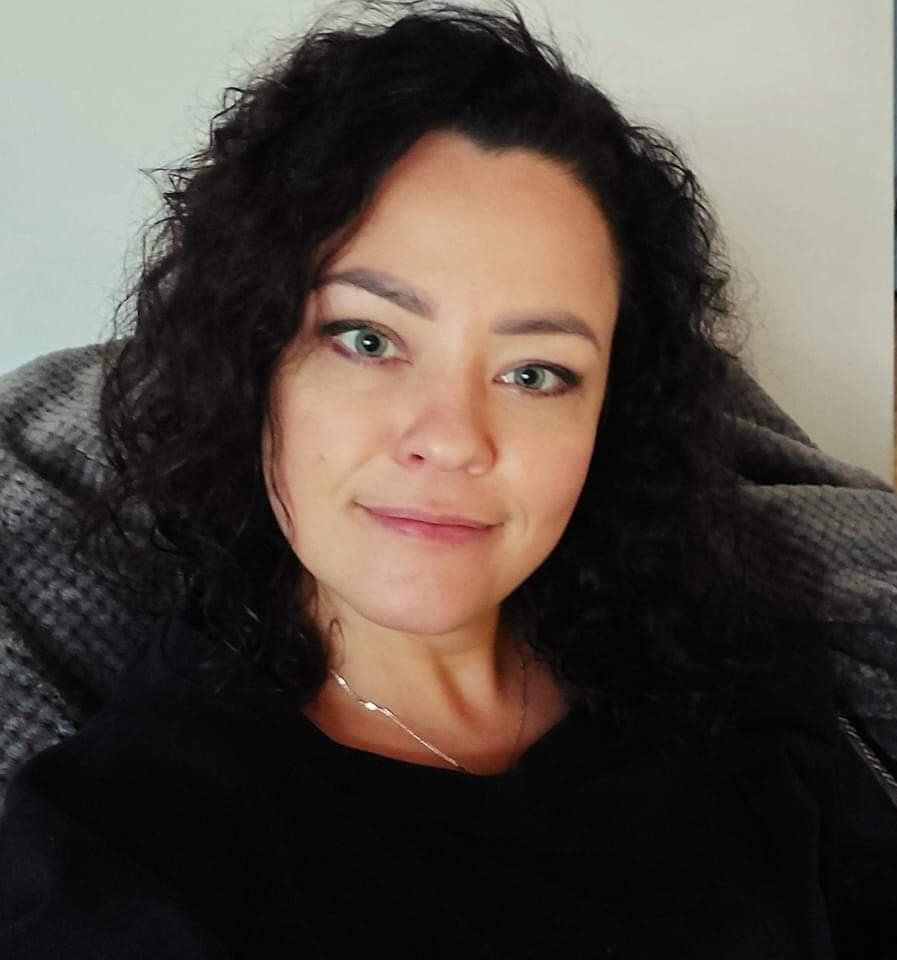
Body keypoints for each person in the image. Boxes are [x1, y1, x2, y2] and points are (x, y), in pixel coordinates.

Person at [0, 1, 895, 957]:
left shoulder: (731, 670)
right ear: (248, 362)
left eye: (534, 373)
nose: (453, 439)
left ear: (613, 414)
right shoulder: (132, 852)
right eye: (367, 339)